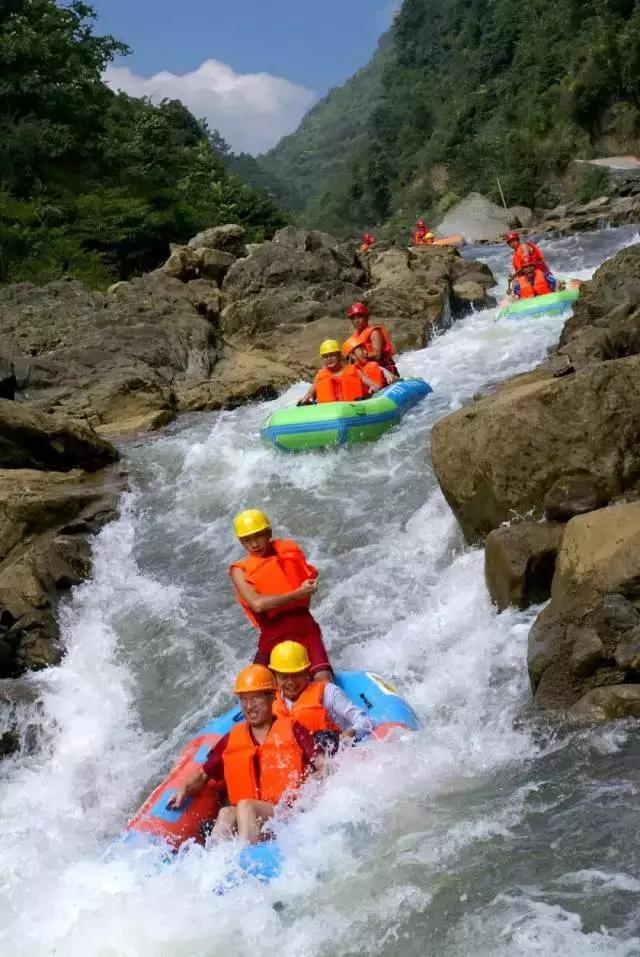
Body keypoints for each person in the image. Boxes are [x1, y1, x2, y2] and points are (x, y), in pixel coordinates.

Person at [168, 665, 322, 844]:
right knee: (226, 812)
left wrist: (310, 791)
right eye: (244, 700)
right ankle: (216, 864)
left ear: (272, 696)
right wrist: (184, 789)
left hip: (287, 813)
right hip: (250, 819)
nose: (249, 707)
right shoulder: (232, 738)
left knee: (245, 806)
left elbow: (322, 765)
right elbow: (203, 776)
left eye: (255, 699)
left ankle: (247, 859)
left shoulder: (294, 729)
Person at [229, 509, 333, 682]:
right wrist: (297, 594)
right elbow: (257, 604)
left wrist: (309, 587)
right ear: (241, 542)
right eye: (247, 539)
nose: (254, 544)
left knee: (323, 678)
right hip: (272, 635)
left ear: (268, 533)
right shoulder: (238, 570)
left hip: (305, 629)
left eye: (258, 536)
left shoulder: (289, 552)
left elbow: (310, 578)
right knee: (257, 685)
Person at [270, 641, 374, 741]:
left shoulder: (329, 693)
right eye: (284, 677)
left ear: (306, 672)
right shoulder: (271, 704)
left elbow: (364, 721)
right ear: (275, 677)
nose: (290, 682)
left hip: (337, 750)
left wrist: (350, 734)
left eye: (296, 675)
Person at [346, 302, 400, 376]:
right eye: (353, 318)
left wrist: (360, 356)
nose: (356, 321)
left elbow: (377, 355)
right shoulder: (355, 337)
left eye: (359, 317)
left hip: (384, 368)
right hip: (368, 370)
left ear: (367, 317)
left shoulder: (374, 332)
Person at [297, 339, 344, 406]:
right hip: (326, 410)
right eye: (325, 356)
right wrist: (304, 400)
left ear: (339, 356)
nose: (329, 359)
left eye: (332, 355)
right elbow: (310, 393)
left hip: (348, 409)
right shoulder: (320, 375)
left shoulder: (351, 371)